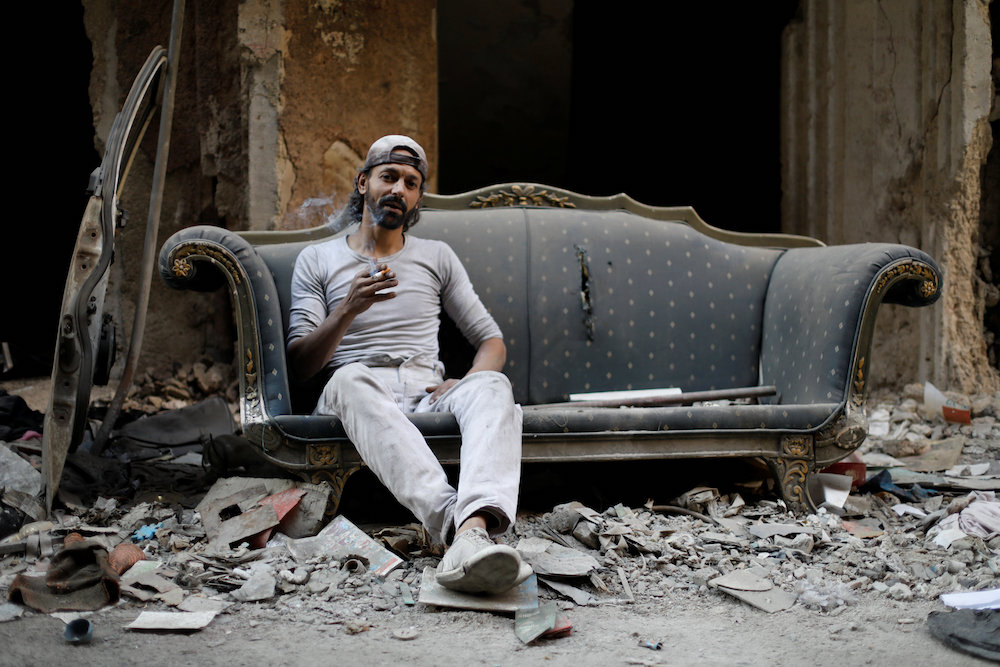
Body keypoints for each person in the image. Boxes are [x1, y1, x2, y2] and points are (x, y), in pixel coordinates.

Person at [286, 135, 530, 595]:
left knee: (494, 385)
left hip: (426, 391)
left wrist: (472, 379)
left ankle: (470, 531)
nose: (399, 188)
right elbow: (301, 365)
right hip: (356, 390)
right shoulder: (317, 258)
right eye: (389, 177)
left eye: (411, 182)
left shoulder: (436, 256)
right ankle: (461, 530)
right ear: (364, 183)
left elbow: (491, 341)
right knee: (351, 377)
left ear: (417, 197)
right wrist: (347, 310)